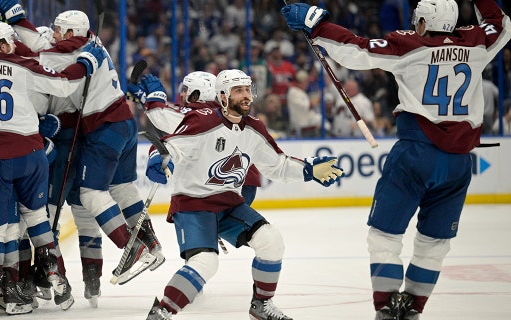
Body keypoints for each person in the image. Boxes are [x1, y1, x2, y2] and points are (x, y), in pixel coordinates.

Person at [281, 0, 511, 319]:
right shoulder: (476, 42)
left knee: (384, 234)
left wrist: (317, 25)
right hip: (459, 163)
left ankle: (387, 305)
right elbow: (500, 24)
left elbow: (356, 50)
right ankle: (414, 306)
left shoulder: (409, 44)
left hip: (415, 154)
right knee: (435, 242)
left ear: (422, 22)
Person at [142, 69, 344, 320]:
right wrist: (159, 158)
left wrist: (308, 170)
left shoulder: (254, 128)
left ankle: (261, 305)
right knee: (206, 262)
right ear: (223, 96)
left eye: (248, 89)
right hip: (193, 204)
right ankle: (162, 311)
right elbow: (170, 145)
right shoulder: (203, 120)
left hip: (229, 203)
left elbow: (277, 165)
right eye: (239, 90)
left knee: (271, 240)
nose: (246, 96)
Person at [0, 0, 165, 293]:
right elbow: (45, 46)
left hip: (103, 128)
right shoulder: (89, 43)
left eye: (60, 31)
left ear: (73, 31)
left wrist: (16, 22)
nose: (56, 35)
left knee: (89, 194)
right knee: (123, 189)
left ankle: (132, 249)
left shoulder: (75, 51)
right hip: (124, 123)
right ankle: (151, 243)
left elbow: (37, 54)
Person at [0, 21, 105, 316]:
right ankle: (53, 272)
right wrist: (87, 61)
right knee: (36, 216)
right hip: (31, 153)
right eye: (8, 41)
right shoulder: (22, 65)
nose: (13, 45)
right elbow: (64, 83)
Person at [127, 70, 262, 205]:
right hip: (237, 181)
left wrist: (155, 96)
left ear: (197, 93)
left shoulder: (201, 116)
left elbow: (162, 115)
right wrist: (145, 98)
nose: (181, 94)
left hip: (231, 183)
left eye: (185, 90)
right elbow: (174, 110)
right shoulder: (214, 110)